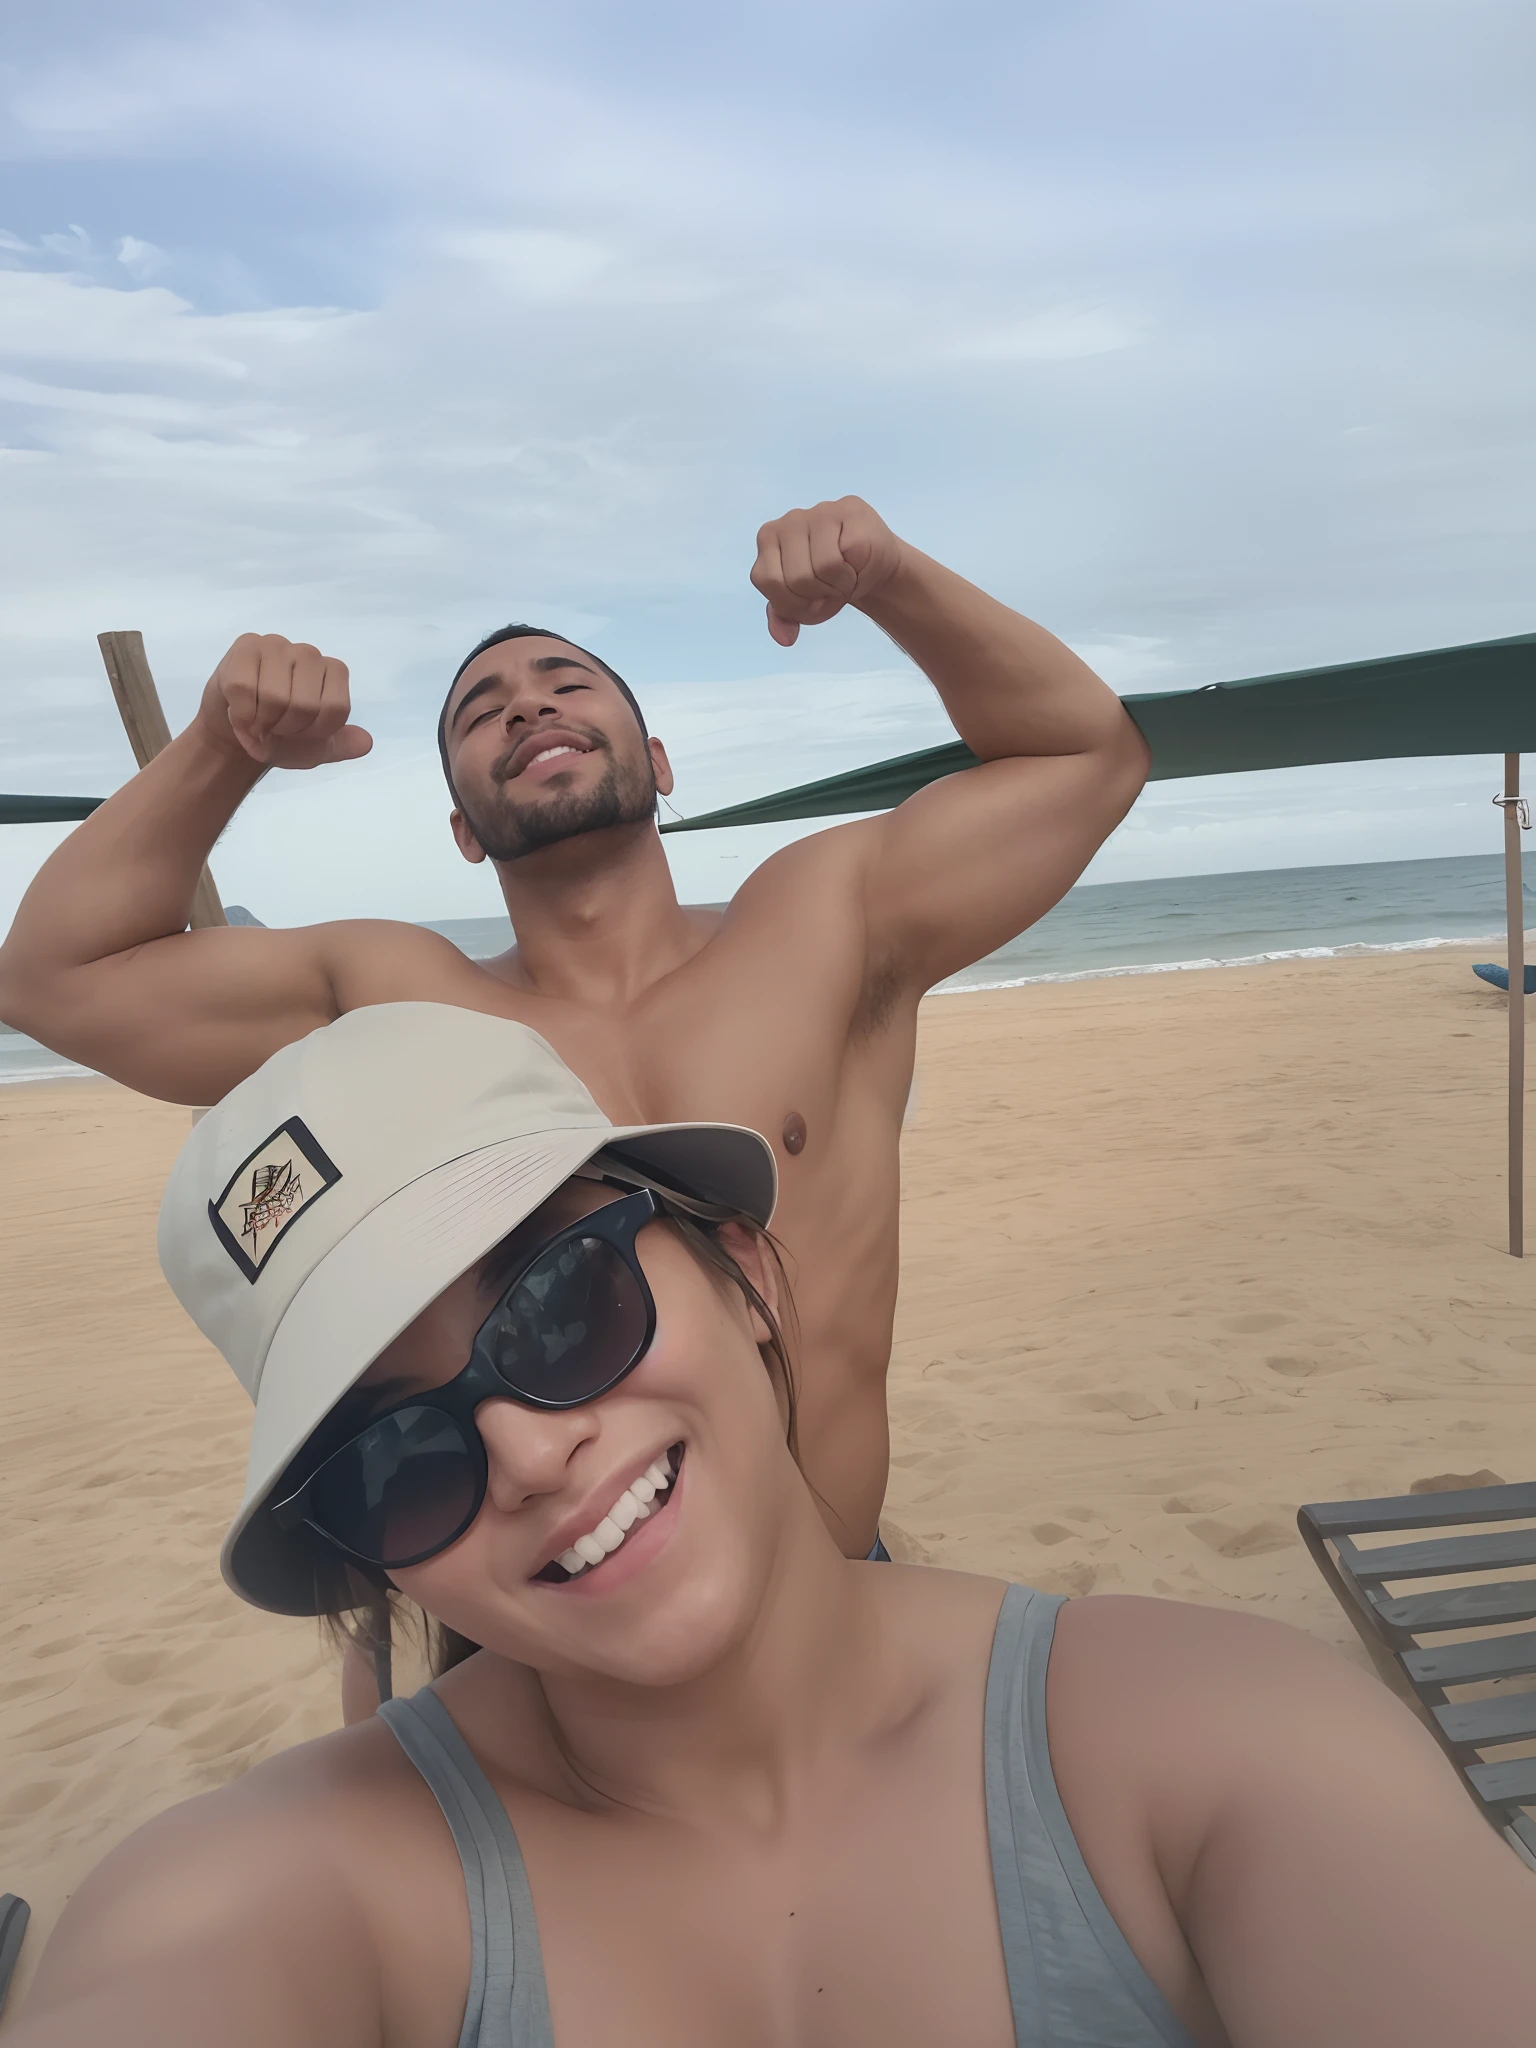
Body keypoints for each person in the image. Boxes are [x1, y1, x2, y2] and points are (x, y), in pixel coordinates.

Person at [12, 1004, 1533, 2048]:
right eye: (396, 1453)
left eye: (558, 1303)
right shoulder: (274, 1885)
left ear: (738, 1269)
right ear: (366, 1552)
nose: (531, 1452)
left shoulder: (1221, 1744)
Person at [0, 497, 1148, 1712]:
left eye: (565, 684)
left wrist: (888, 576)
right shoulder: (394, 1003)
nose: (527, 705)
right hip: (540, 1655)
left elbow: (1087, 756)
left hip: (826, 1593)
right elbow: (52, 978)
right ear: (460, 828)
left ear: (657, 763)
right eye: (482, 712)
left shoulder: (826, 916)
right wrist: (223, 748)